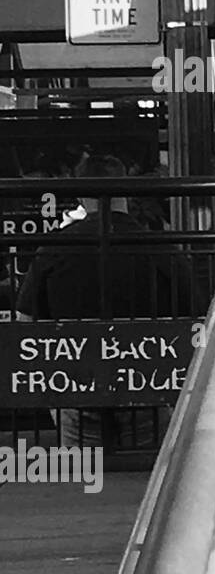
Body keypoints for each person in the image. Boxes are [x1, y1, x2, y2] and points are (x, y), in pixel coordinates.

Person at [15, 153, 192, 450]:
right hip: (147, 379)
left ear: (81, 194)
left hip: (73, 381)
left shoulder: (56, 246)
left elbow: (24, 321)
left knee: (87, 477)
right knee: (148, 475)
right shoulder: (161, 247)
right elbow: (197, 313)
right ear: (126, 191)